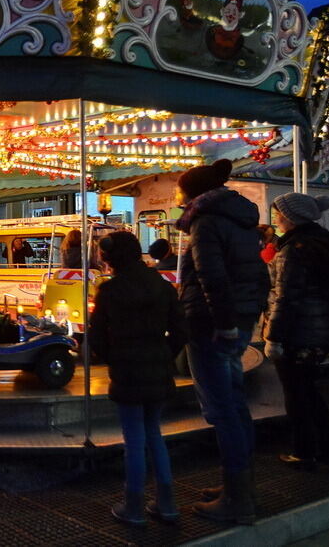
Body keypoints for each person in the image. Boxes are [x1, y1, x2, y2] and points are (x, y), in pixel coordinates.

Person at [174, 158, 269, 525]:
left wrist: (224, 322)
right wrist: (245, 317)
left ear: (192, 193)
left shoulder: (206, 222)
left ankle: (237, 498)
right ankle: (241, 485)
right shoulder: (240, 220)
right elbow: (257, 274)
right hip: (237, 320)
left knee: (221, 409)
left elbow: (210, 275)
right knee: (235, 403)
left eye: (180, 191)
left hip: (212, 324)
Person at [90, 231, 187, 526]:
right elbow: (181, 330)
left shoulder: (110, 291)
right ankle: (167, 503)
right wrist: (163, 353)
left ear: (110, 258)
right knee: (154, 433)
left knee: (133, 440)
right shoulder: (162, 286)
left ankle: (133, 506)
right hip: (158, 367)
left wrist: (114, 356)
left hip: (127, 370)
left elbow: (96, 337)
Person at [263, 193, 329, 469]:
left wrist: (274, 336)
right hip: (321, 327)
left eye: (278, 214)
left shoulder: (293, 250)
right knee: (308, 391)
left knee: (297, 394)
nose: (276, 219)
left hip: (298, 331)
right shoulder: (322, 242)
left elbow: (286, 297)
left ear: (290, 217)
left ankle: (305, 451)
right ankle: (328, 449)